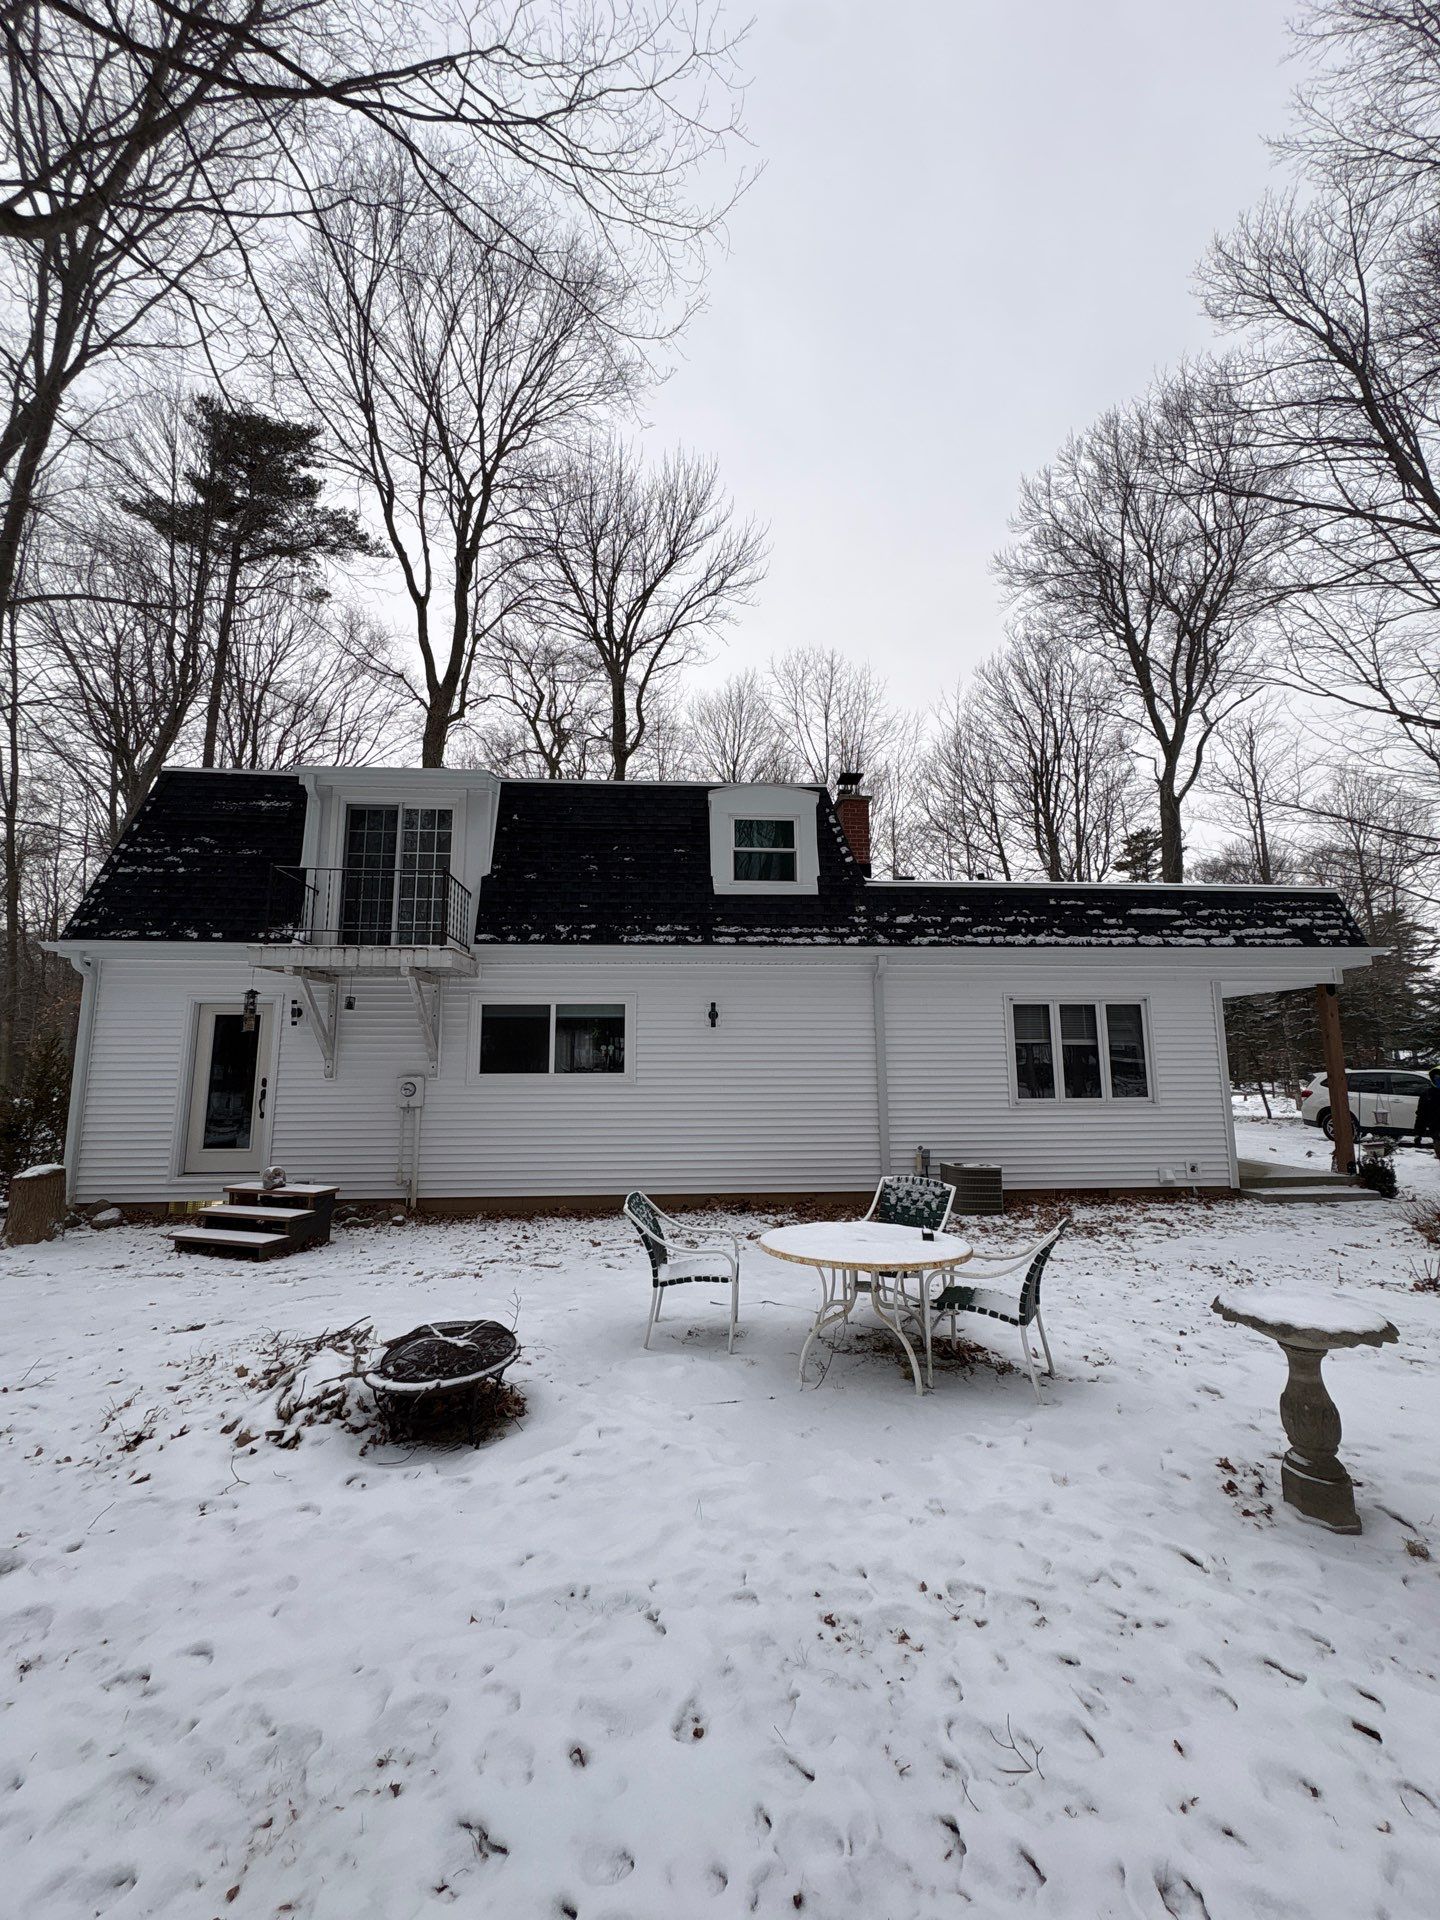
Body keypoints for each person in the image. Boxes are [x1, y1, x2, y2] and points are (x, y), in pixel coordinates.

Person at [1412, 1069, 1440, 1159]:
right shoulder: (1427, 1095)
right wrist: (1418, 1133)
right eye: (1437, 1078)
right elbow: (1421, 1115)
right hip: (1437, 1132)